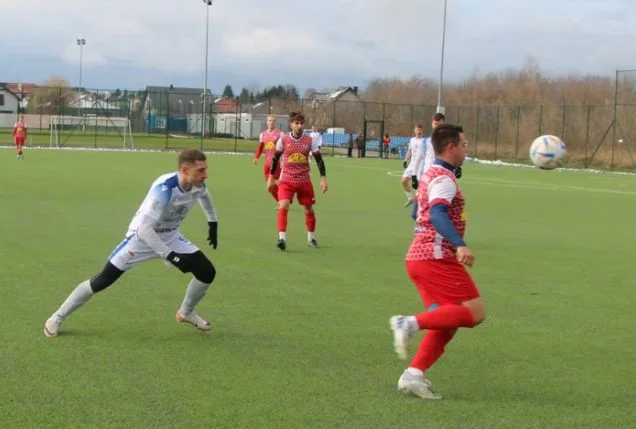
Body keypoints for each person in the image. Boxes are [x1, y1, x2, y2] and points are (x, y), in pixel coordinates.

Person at [44, 149, 220, 337]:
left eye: (205, 169)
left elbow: (205, 196)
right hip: (141, 239)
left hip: (170, 236)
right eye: (200, 170)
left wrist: (213, 223)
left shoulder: (197, 185)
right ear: (184, 169)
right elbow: (144, 230)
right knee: (101, 281)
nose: (205, 175)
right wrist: (171, 256)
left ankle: (186, 312)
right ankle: (56, 318)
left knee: (206, 271)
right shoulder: (164, 189)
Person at [389, 124, 486, 400]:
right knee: (475, 313)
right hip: (436, 257)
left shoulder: (429, 173)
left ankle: (414, 375)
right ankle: (407, 323)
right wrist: (459, 243)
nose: (467, 149)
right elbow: (437, 214)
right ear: (451, 147)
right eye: (464, 145)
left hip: (418, 257)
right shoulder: (444, 179)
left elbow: (417, 213)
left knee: (446, 321)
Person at [267, 112, 328, 251]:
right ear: (291, 124)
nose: (299, 126)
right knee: (283, 205)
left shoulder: (310, 141)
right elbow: (275, 159)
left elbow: (319, 160)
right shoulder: (283, 140)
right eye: (296, 123)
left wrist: (323, 179)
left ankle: (311, 238)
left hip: (304, 180)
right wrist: (271, 178)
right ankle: (282, 239)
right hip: (287, 180)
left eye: (301, 123)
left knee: (309, 209)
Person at [409, 113, 447, 220]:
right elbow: (419, 158)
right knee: (415, 214)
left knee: (436, 212)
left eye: (440, 124)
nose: (437, 126)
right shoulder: (426, 141)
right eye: (435, 123)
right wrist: (414, 176)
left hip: (439, 180)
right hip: (425, 179)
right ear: (432, 124)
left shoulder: (447, 142)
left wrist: (457, 168)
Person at [253, 115, 283, 201]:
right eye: (270, 121)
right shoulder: (262, 134)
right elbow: (260, 147)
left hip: (276, 163)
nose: (271, 122)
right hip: (267, 163)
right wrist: (256, 157)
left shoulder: (280, 134)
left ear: (276, 122)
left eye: (273, 121)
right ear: (267, 122)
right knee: (271, 187)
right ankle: (282, 199)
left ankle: (285, 191)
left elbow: (286, 148)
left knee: (270, 186)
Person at [400, 124, 425, 206]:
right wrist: (405, 160)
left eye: (420, 130)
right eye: (417, 130)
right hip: (412, 164)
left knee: (418, 186)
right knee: (404, 181)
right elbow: (409, 151)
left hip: (420, 165)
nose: (419, 131)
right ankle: (410, 198)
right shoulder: (412, 140)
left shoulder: (425, 141)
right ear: (415, 130)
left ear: (422, 131)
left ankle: (420, 203)